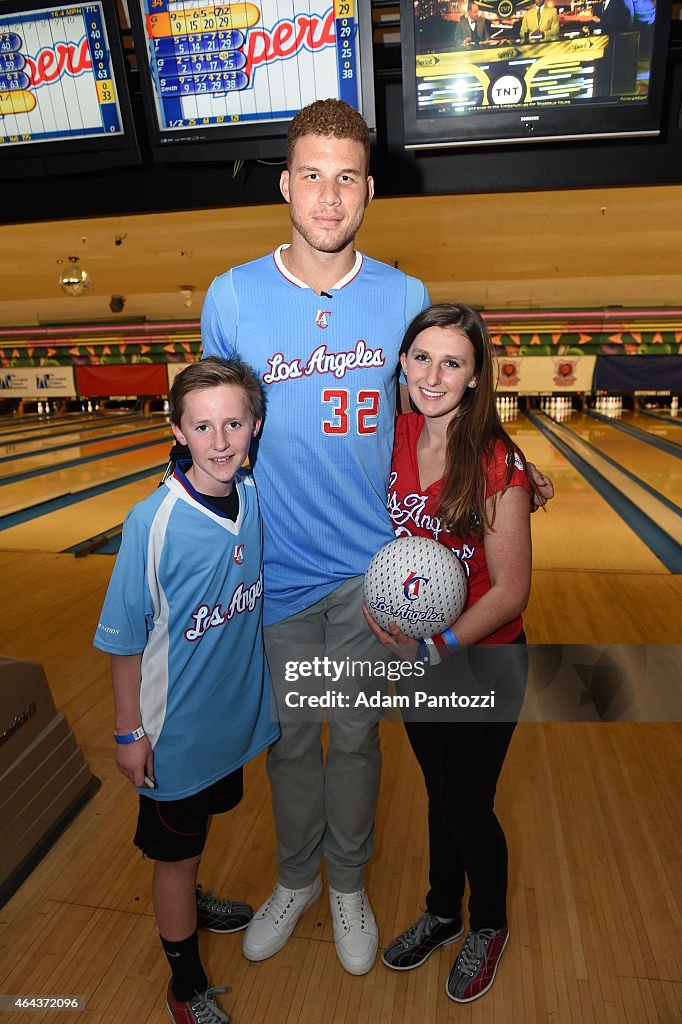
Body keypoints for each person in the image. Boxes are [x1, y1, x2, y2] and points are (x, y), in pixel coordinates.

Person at [200, 98, 553, 977]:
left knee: (355, 740)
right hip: (272, 574)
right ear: (285, 184)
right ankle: (295, 879)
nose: (328, 196)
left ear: (369, 189)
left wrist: (510, 467)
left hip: (375, 581)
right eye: (311, 175)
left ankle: (349, 885)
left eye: (346, 177)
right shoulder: (232, 295)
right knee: (287, 743)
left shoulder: (403, 296)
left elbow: (433, 417)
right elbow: (212, 434)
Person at [94, 358, 279, 1024]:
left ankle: (191, 892)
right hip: (171, 735)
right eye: (203, 426)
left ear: (255, 427)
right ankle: (185, 981)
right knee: (173, 857)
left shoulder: (253, 497)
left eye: (234, 423)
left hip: (230, 725)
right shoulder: (155, 522)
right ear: (178, 429)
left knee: (192, 840)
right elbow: (122, 639)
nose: (221, 440)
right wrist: (127, 731)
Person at [364, 303, 532, 1003]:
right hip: (418, 658)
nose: (433, 374)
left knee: (466, 805)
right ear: (402, 364)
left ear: (473, 378)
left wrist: (439, 644)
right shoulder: (393, 435)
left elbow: (512, 591)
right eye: (422, 357)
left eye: (452, 362)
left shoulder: (496, 460)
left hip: (483, 658)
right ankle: (441, 909)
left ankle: (486, 924)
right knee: (440, 796)